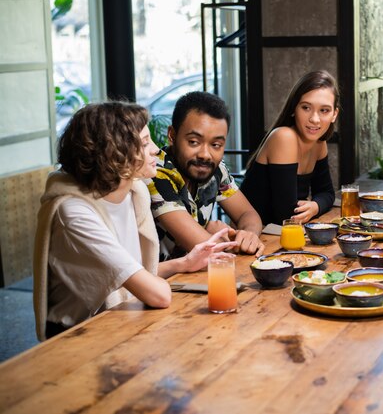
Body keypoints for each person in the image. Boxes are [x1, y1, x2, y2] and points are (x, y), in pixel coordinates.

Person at [33, 102, 236, 341]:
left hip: (121, 317)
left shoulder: (132, 192)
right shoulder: (75, 212)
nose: (154, 150)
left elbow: (129, 274)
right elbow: (157, 294)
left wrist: (183, 263)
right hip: (78, 334)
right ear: (113, 152)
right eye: (144, 142)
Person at [147, 91, 264, 260]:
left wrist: (249, 235)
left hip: (198, 276)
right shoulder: (156, 174)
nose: (205, 154)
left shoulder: (216, 169)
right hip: (163, 282)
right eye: (194, 142)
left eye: (216, 145)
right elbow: (205, 249)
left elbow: (248, 214)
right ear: (172, 135)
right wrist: (223, 239)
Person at [240, 70, 337, 225]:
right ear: (294, 108)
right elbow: (285, 215)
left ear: (334, 114)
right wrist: (314, 205)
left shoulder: (319, 143)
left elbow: (327, 193)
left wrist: (315, 206)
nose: (314, 119)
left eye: (324, 110)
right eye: (306, 108)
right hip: (254, 236)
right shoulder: (284, 137)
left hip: (279, 235)